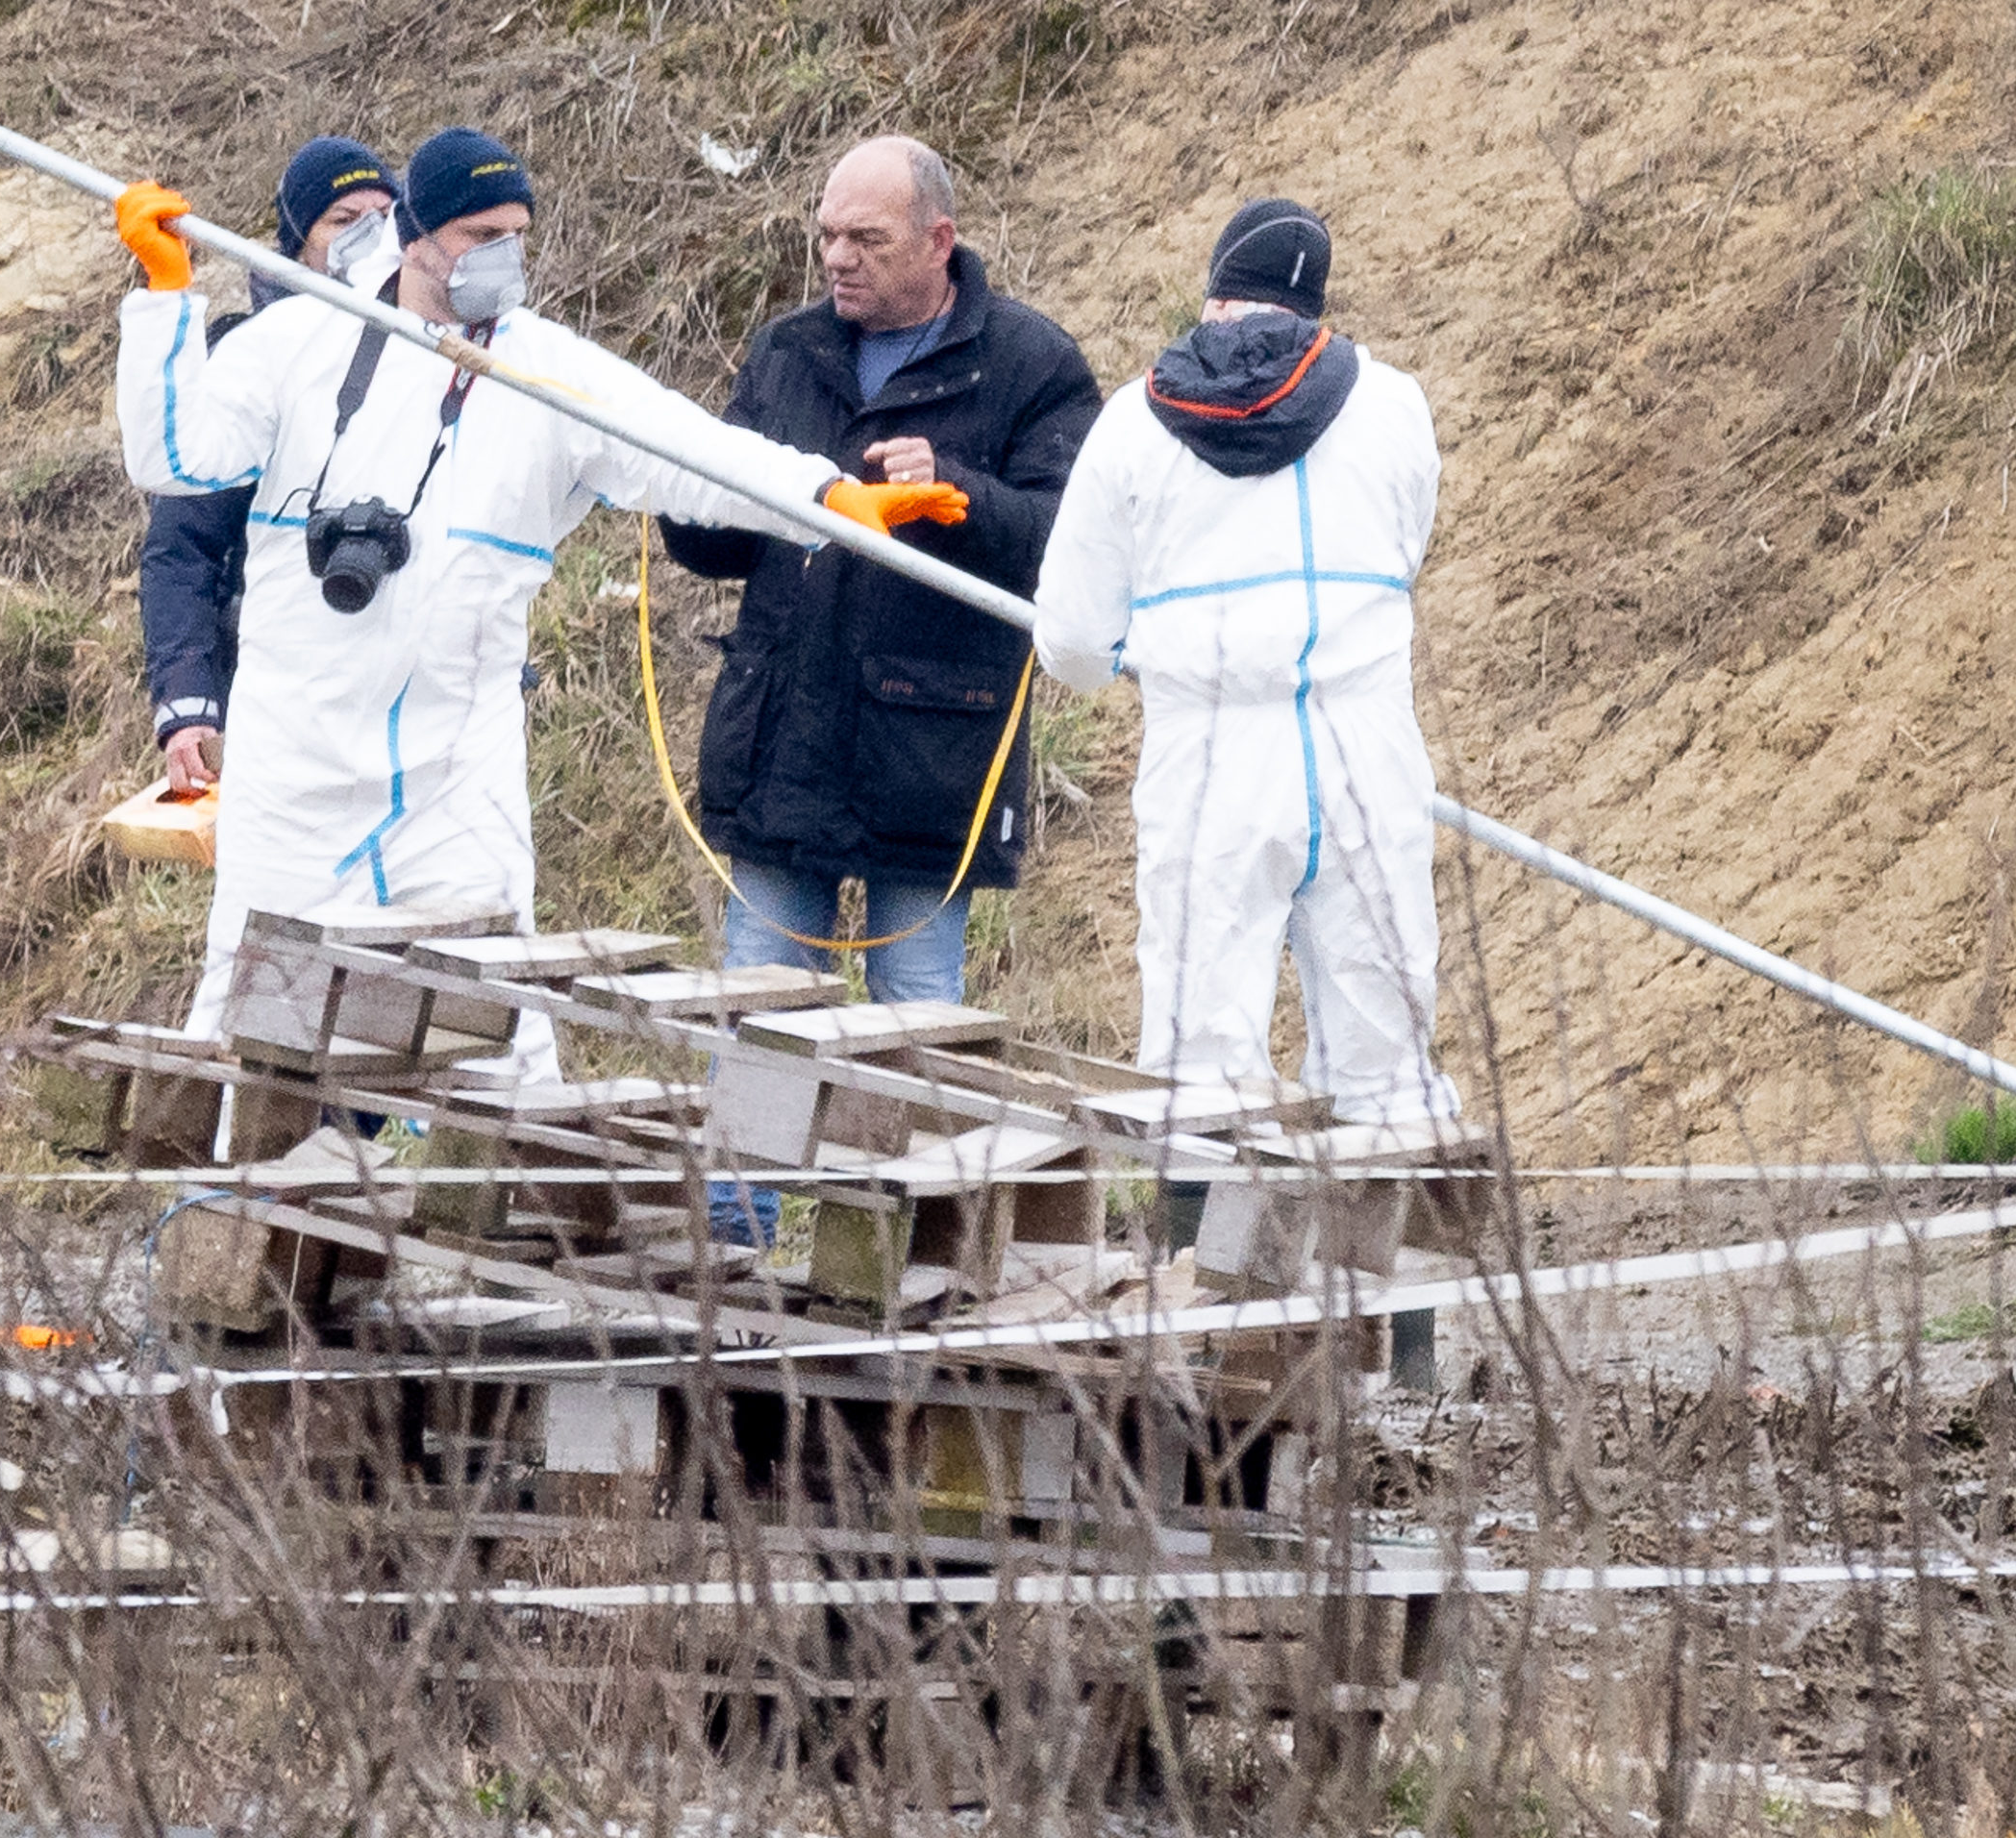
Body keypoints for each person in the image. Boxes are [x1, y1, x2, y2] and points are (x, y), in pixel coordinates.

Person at [111, 126, 969, 1031]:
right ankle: (232, 1178)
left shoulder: (546, 369)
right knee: (253, 1010)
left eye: (517, 235)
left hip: (457, 770)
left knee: (494, 1021)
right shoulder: (300, 341)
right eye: (481, 237)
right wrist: (165, 298)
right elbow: (174, 455)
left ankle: (494, 1175)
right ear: (416, 238)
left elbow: (691, 452)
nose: (504, 257)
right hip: (296, 767)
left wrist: (829, 497)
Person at [1029, 197, 1461, 1129]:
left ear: (1215, 296)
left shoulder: (1129, 426)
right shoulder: (1392, 405)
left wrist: (1121, 659)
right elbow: (1407, 546)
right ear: (1315, 308)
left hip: (1208, 751)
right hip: (1362, 742)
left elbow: (1067, 637)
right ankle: (1394, 1268)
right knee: (1382, 1031)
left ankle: (1208, 1261)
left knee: (1197, 1051)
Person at [660, 135, 1100, 1004]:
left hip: (934, 756)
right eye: (827, 235)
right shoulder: (787, 351)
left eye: (867, 239)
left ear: (939, 241)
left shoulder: (1031, 365)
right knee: (759, 1021)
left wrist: (957, 495)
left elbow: (1070, 543)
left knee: (917, 1027)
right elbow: (714, 549)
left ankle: (910, 1150)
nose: (837, 258)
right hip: (780, 745)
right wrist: (679, 492)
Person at [138, 137, 402, 796]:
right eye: (344, 222)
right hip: (278, 689)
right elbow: (183, 547)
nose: (369, 239)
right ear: (296, 245)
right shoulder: (251, 364)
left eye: (384, 219)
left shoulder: (428, 356)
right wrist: (187, 704)